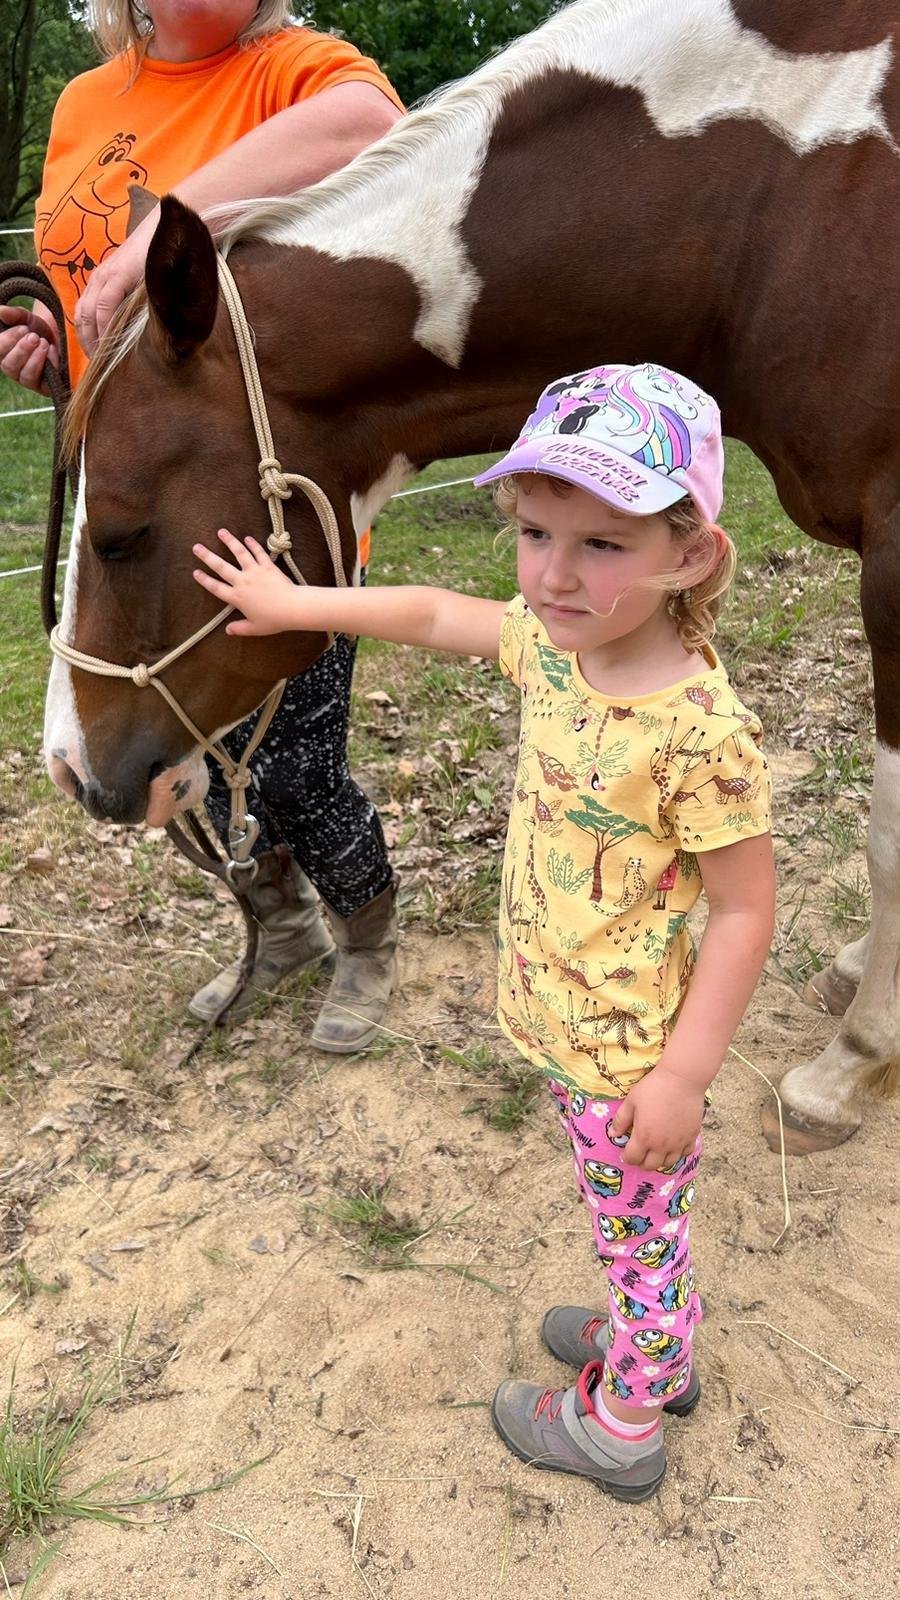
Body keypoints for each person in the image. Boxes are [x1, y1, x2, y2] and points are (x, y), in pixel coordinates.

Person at [192, 361, 775, 1500]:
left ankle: (628, 1416)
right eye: (536, 533)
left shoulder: (700, 732)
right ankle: (650, 1335)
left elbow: (748, 908)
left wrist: (684, 1078)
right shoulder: (561, 648)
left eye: (602, 544)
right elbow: (431, 612)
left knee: (642, 1234)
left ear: (691, 556)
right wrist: (299, 607)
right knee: (633, 1228)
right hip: (566, 1026)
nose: (554, 573)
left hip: (629, 1060)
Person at [3, 2, 406, 1052]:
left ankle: (367, 936)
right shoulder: (85, 101)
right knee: (173, 756)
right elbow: (102, 307)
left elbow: (373, 124)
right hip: (133, 494)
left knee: (298, 767)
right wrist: (57, 347)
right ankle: (281, 928)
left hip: (260, 507)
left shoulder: (291, 68)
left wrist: (155, 234)